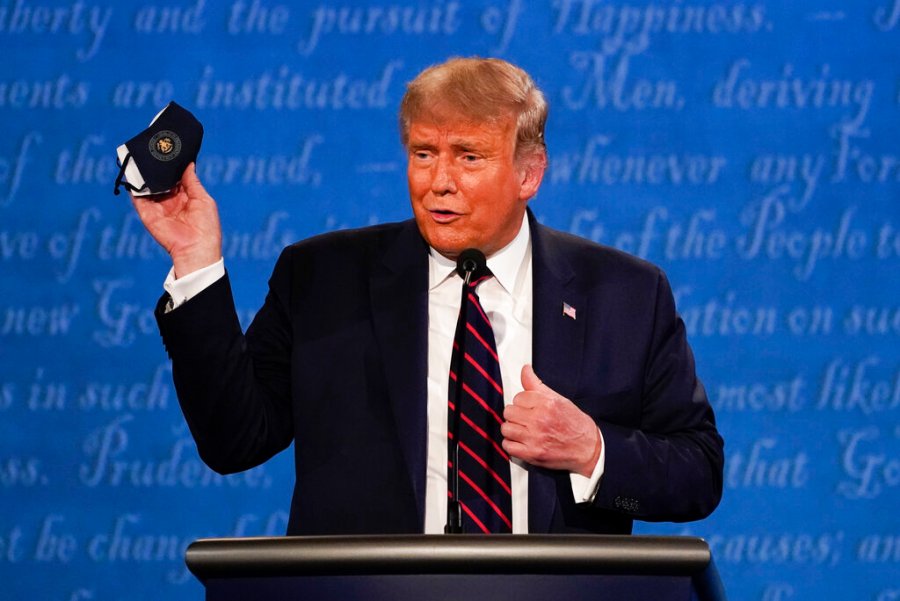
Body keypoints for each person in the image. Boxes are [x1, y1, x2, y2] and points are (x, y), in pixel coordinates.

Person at [132, 57, 723, 535]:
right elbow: (235, 440)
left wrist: (591, 448)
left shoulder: (625, 295)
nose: (439, 181)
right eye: (423, 153)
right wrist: (195, 263)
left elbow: (698, 472)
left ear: (529, 172)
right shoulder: (321, 278)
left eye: (469, 156)